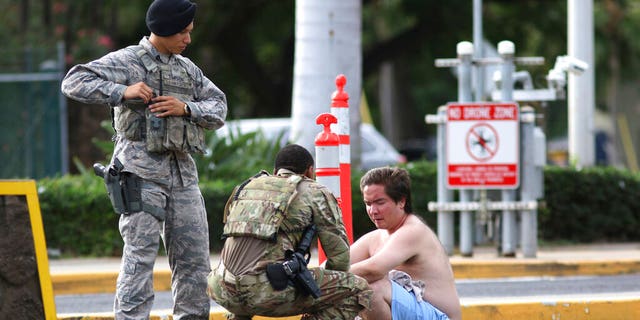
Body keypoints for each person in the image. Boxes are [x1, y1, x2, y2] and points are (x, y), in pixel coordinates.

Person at [60, 0, 227, 319]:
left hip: (183, 178)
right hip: (139, 175)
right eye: (182, 32)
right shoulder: (128, 60)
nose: (188, 40)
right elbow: (73, 81)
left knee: (194, 264)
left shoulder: (187, 68)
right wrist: (121, 91)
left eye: (190, 32)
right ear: (162, 30)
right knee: (140, 259)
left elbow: (218, 105)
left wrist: (188, 109)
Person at [207, 144, 371, 320]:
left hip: (220, 287)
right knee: (357, 289)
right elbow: (339, 259)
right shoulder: (314, 191)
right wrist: (325, 293)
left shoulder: (247, 187)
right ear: (309, 171)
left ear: (275, 171)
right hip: (264, 292)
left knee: (244, 288)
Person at [350, 167, 462, 320]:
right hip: (414, 313)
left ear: (401, 201)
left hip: (439, 316)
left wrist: (324, 278)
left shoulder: (414, 231)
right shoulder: (375, 237)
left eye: (379, 202)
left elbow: (374, 270)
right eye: (368, 203)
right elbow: (336, 264)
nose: (373, 210)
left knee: (370, 289)